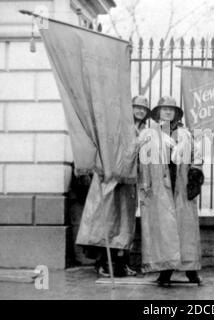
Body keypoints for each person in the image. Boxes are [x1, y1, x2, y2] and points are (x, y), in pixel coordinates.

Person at [76, 95, 150, 278]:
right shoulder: (119, 127)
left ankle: (122, 264)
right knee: (106, 222)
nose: (140, 111)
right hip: (111, 181)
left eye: (143, 108)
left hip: (129, 183)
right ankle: (102, 263)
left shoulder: (145, 131)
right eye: (136, 107)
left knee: (125, 225)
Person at [139, 96, 203, 286]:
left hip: (182, 185)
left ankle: (191, 271)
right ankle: (165, 272)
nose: (167, 112)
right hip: (160, 186)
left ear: (175, 113)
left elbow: (196, 155)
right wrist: (146, 185)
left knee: (186, 229)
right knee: (164, 229)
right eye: (164, 109)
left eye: (171, 109)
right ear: (158, 112)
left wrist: (195, 174)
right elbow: (142, 161)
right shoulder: (149, 134)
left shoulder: (186, 133)